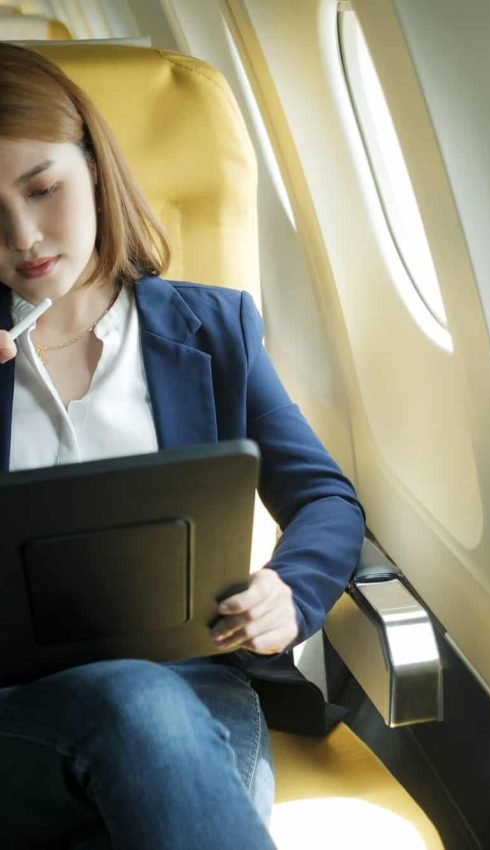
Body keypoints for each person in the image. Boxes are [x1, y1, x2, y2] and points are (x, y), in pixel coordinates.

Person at [0, 42, 365, 850]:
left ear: (95, 168)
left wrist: (290, 592)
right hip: (16, 721)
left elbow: (326, 499)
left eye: (43, 189)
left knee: (142, 728)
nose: (23, 237)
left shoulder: (213, 328)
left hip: (190, 702)